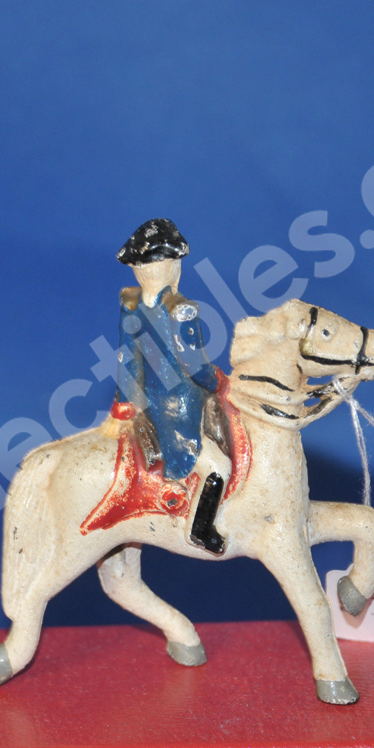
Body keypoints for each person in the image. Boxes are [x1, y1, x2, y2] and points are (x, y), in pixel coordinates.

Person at [112, 218, 230, 554]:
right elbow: (195, 366)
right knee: (219, 467)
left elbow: (128, 360)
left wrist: (126, 404)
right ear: (172, 267)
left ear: (137, 270)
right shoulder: (181, 311)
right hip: (180, 411)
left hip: (146, 406)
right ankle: (201, 529)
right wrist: (218, 380)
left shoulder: (130, 305)